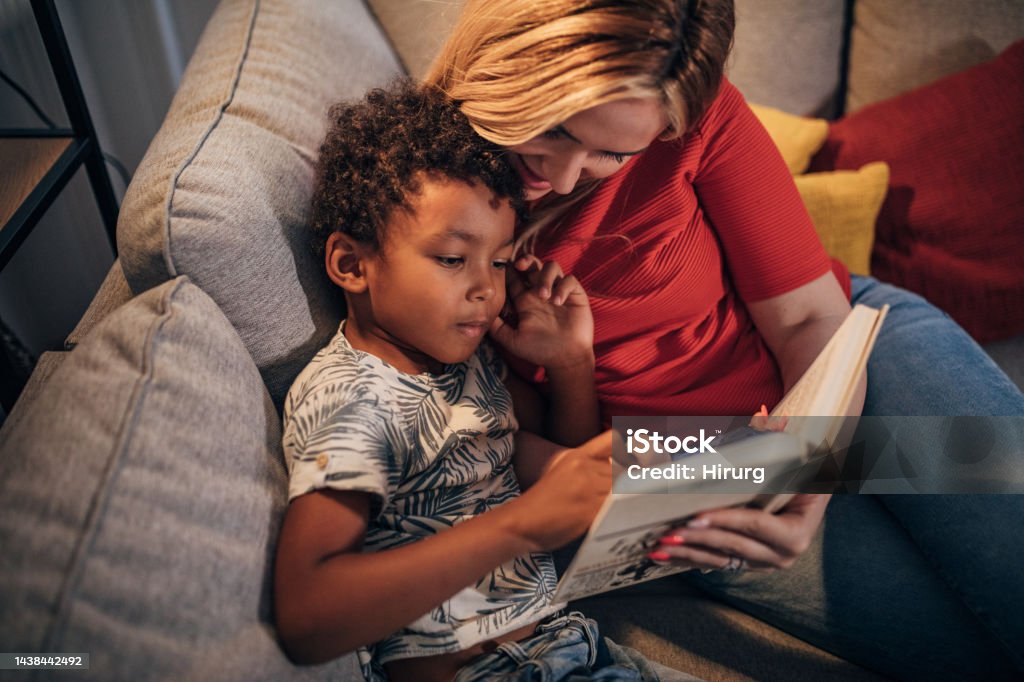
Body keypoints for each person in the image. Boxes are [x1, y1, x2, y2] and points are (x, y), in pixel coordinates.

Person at [423, 0, 1024, 679]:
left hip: (857, 362)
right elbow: (496, 449)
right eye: (557, 130)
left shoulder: (699, 118)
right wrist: (709, 471)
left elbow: (807, 319)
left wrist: (812, 466)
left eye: (612, 153)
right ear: (513, 62)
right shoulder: (416, 199)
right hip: (687, 460)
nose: (561, 178)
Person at [274, 80, 700, 682]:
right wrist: (521, 524)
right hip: (484, 672)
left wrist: (573, 364)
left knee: (825, 453)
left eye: (499, 262)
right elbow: (307, 617)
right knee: (832, 455)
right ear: (351, 264)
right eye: (452, 259)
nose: (486, 289)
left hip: (570, 647)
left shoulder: (465, 369)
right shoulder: (353, 398)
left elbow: (560, 470)